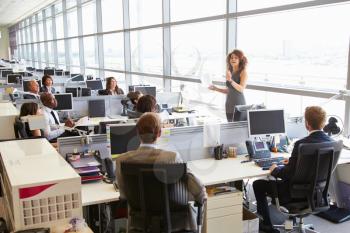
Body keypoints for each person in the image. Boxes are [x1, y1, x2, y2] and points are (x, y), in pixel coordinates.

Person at [115, 113, 206, 232]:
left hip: (140, 225)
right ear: (159, 133)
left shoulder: (122, 160)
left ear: (137, 133)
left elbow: (124, 196)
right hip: (174, 225)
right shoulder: (171, 157)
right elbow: (198, 189)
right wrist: (200, 198)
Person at [252, 106, 332, 233]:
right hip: (317, 193)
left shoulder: (301, 144)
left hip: (292, 194)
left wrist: (275, 169)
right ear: (323, 122)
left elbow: (287, 174)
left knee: (258, 184)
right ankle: (290, 221)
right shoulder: (332, 143)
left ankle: (266, 225)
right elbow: (315, 166)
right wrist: (295, 162)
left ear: (307, 124)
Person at [208, 49, 248, 122]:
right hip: (229, 104)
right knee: (230, 127)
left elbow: (241, 89)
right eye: (232, 57)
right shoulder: (230, 72)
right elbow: (229, 91)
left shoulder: (243, 72)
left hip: (239, 104)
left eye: (236, 58)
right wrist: (215, 88)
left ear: (240, 60)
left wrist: (230, 80)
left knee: (238, 128)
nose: (233, 59)